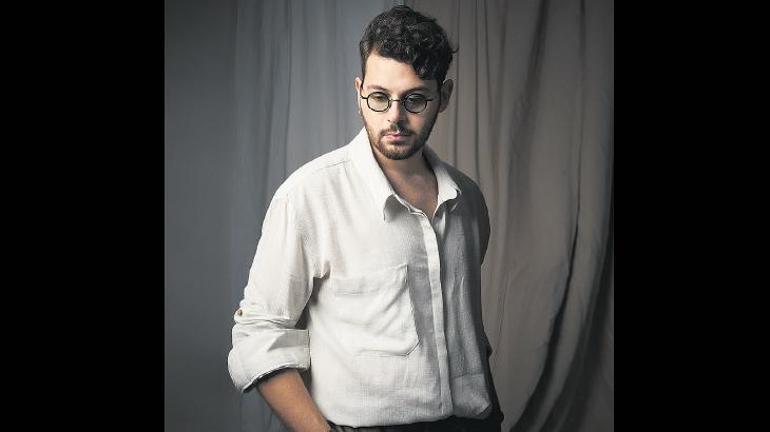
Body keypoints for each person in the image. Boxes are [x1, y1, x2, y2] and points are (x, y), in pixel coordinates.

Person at [228, 5, 503, 431]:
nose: (394, 117)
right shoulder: (310, 195)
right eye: (378, 97)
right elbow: (258, 334)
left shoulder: (467, 199)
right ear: (359, 91)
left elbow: (467, 332)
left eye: (415, 99)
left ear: (444, 96)